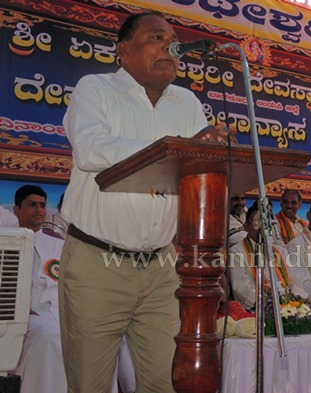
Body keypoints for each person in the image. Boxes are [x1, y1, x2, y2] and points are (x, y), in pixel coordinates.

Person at [59, 12, 233, 392]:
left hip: (164, 268)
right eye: (157, 38)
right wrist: (177, 149)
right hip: (97, 265)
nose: (170, 48)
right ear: (123, 51)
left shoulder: (186, 101)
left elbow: (194, 169)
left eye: (173, 42)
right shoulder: (96, 89)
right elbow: (90, 150)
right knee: (89, 385)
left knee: (167, 383)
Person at [10, 185, 67, 393]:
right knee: (49, 333)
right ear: (16, 209)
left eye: (42, 205)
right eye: (31, 204)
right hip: (23, 314)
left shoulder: (59, 245)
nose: (39, 210)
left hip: (61, 312)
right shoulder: (7, 241)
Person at [229, 202, 305, 309]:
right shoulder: (236, 252)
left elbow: (296, 281)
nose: (262, 228)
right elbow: (241, 289)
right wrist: (269, 305)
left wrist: (295, 302)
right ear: (246, 226)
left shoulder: (281, 251)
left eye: (265, 224)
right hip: (255, 309)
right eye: (257, 222)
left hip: (287, 307)